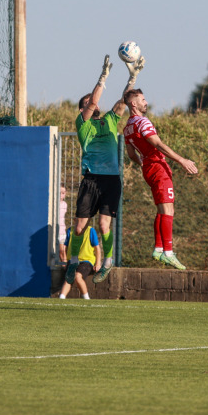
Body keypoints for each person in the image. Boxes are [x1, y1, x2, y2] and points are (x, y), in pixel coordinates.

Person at [65, 54, 144, 283]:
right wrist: (102, 78)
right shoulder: (83, 124)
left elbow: (123, 102)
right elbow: (91, 103)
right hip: (91, 180)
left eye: (96, 102)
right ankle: (72, 262)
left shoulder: (109, 119)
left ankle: (108, 261)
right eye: (90, 103)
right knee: (80, 227)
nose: (95, 104)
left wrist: (132, 77)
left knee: (103, 224)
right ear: (83, 110)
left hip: (111, 179)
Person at [123, 88, 198, 270]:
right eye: (142, 99)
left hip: (149, 168)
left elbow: (131, 154)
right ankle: (168, 252)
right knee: (168, 210)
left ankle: (158, 248)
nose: (146, 102)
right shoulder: (142, 122)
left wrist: (144, 163)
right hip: (157, 166)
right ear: (134, 104)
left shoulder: (127, 127)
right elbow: (157, 143)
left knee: (163, 209)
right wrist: (182, 160)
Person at [59, 225, 101, 300]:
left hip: (86, 260)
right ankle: (61, 298)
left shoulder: (90, 230)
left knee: (78, 276)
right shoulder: (70, 230)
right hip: (72, 260)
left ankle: (86, 298)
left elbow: (97, 248)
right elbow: (64, 247)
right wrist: (64, 261)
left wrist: (98, 263)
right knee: (69, 278)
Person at [58, 185, 68, 263]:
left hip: (62, 231)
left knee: (63, 251)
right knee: (60, 251)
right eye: (60, 192)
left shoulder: (64, 204)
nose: (61, 195)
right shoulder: (54, 204)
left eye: (63, 193)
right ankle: (64, 265)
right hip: (56, 231)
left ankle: (65, 266)